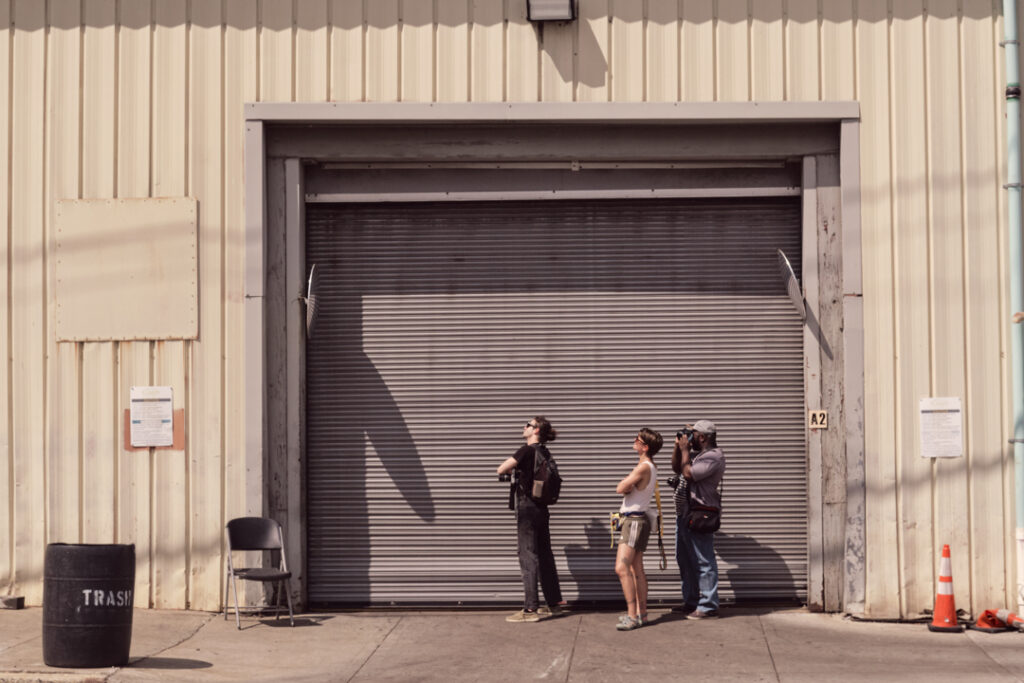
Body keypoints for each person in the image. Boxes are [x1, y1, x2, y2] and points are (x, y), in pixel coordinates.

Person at [496, 417, 564, 623]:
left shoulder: (526, 450)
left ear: (536, 431)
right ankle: (553, 604)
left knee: (528, 556)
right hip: (542, 508)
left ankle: (530, 609)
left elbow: (501, 468)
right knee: (544, 554)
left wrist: (510, 470)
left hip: (527, 508)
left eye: (528, 424)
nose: (523, 426)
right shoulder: (545, 452)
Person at [672, 419, 726, 619]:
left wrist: (686, 451)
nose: (690, 438)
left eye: (693, 434)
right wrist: (679, 447)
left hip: (701, 513)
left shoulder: (714, 457)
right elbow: (677, 467)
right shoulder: (698, 455)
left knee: (704, 561)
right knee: (685, 559)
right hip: (685, 513)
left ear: (702, 437)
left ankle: (708, 606)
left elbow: (689, 474)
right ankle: (692, 601)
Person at [613, 427, 663, 631]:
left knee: (621, 568)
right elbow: (626, 487)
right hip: (638, 520)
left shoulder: (643, 467)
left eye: (637, 439)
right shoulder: (649, 466)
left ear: (645, 446)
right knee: (636, 569)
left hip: (633, 522)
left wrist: (626, 485)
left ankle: (633, 616)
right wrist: (627, 485)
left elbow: (620, 488)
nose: (634, 441)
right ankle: (641, 613)